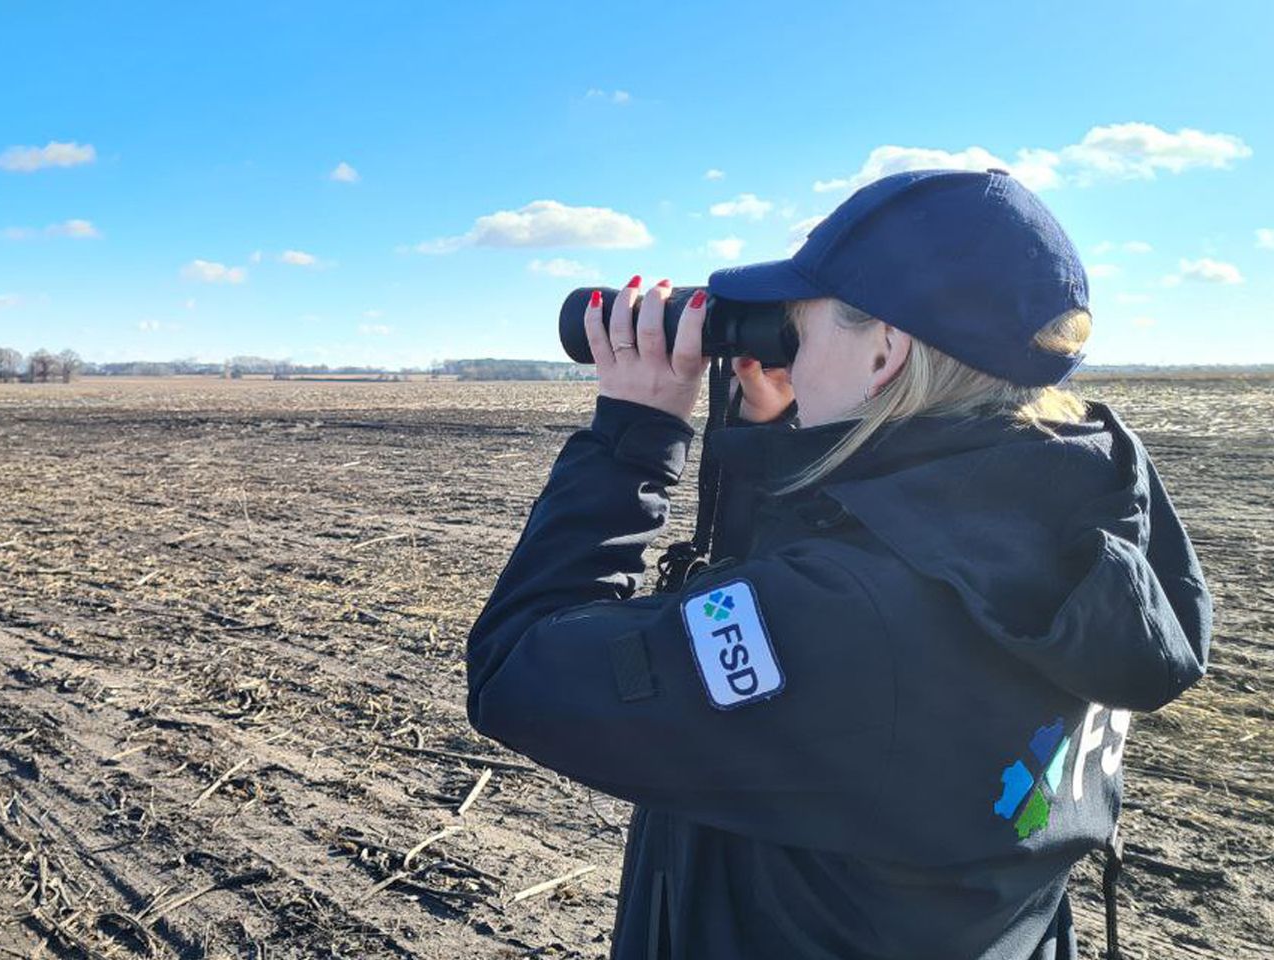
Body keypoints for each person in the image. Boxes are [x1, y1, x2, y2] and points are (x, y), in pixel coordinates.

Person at [464, 168, 1211, 960]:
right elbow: (838, 602)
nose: (788, 343)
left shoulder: (854, 615)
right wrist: (779, 435)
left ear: (885, 349)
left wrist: (632, 438)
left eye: (801, 323)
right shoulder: (1070, 533)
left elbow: (518, 671)